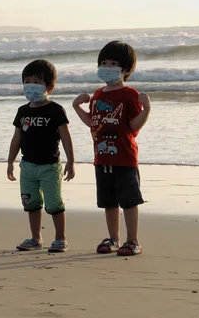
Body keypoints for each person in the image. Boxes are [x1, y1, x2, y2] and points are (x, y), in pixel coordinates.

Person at [72, 41, 151, 256]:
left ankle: (133, 240)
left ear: (126, 70)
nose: (107, 67)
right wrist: (76, 107)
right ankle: (113, 238)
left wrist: (147, 109)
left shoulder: (130, 95)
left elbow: (133, 127)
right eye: (103, 63)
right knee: (109, 201)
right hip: (102, 158)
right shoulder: (98, 95)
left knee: (129, 200)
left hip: (124, 158)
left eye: (113, 63)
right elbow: (93, 123)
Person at [7, 59, 75, 253]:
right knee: (31, 203)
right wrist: (10, 161)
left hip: (50, 166)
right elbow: (17, 138)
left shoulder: (55, 110)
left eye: (36, 82)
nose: (31, 86)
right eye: (27, 81)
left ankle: (60, 238)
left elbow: (66, 136)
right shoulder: (23, 111)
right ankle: (36, 238)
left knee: (54, 204)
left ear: (49, 86)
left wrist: (71, 161)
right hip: (27, 166)